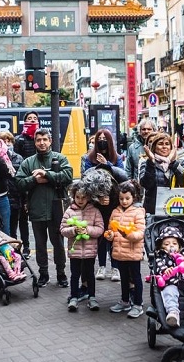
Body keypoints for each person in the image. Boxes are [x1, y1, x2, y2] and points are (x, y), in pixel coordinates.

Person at [15, 128, 73, 288]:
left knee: (59, 244)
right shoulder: (28, 162)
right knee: (40, 245)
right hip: (36, 208)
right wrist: (34, 180)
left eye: (45, 139)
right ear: (34, 142)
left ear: (50, 141)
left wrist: (47, 175)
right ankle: (43, 274)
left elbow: (68, 176)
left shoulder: (60, 158)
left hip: (57, 207)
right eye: (38, 140)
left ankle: (61, 274)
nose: (42, 143)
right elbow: (19, 182)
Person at [81, 131, 127, 281]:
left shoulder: (117, 158)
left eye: (104, 139)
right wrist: (97, 198)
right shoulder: (89, 158)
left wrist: (107, 165)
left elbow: (123, 177)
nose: (101, 141)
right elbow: (86, 179)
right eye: (99, 139)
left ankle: (116, 267)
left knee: (113, 234)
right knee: (100, 236)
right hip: (97, 204)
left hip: (114, 203)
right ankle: (101, 266)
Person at [60, 180, 104, 312]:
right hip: (75, 252)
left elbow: (100, 229)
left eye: (83, 197)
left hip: (90, 251)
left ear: (89, 197)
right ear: (73, 197)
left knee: (90, 274)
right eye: (77, 197)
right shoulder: (69, 211)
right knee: (75, 274)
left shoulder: (95, 211)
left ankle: (92, 297)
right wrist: (73, 230)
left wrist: (88, 230)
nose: (80, 200)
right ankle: (73, 296)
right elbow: (63, 229)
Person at [105, 181, 146, 319]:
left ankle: (138, 304)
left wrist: (127, 235)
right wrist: (109, 235)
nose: (124, 201)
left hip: (133, 252)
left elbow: (140, 233)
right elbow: (111, 230)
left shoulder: (138, 212)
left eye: (127, 198)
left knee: (135, 278)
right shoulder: (115, 212)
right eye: (121, 198)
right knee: (123, 278)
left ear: (133, 197)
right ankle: (125, 301)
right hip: (119, 252)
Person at [138, 132, 184, 215]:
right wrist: (151, 162)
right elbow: (146, 184)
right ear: (154, 147)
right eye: (160, 144)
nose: (164, 147)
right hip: (153, 210)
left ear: (171, 147)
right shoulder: (146, 164)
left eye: (167, 144)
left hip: (176, 207)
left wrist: (173, 163)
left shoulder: (180, 163)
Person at [0, 131, 28, 259]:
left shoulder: (18, 158)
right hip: (3, 197)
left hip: (16, 198)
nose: (6, 143)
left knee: (14, 227)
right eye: (3, 140)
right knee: (6, 229)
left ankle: (16, 253)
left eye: (9, 141)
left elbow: (22, 179)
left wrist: (25, 199)